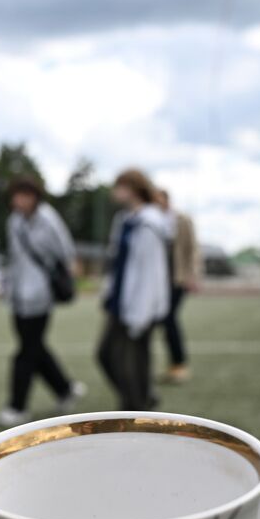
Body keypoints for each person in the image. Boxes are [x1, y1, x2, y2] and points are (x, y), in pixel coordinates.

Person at [0, 175, 85, 427]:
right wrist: (7, 286)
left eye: (24, 195)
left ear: (35, 196)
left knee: (25, 352)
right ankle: (65, 388)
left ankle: (17, 406)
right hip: (18, 296)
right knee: (34, 348)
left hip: (40, 295)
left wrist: (71, 277)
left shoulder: (48, 219)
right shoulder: (13, 222)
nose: (19, 200)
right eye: (16, 195)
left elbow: (66, 252)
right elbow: (14, 257)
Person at [97, 169, 170, 410]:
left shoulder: (149, 223)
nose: (114, 191)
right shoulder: (125, 220)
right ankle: (138, 401)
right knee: (107, 356)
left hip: (140, 307)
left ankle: (137, 408)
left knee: (135, 363)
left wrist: (141, 315)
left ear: (133, 188)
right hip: (120, 302)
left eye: (119, 186)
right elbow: (116, 263)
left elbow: (150, 273)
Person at [157, 189, 202, 383]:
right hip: (159, 282)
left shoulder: (182, 219)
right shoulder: (154, 220)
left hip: (178, 279)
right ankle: (174, 364)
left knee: (169, 319)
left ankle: (179, 364)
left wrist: (193, 275)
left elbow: (192, 248)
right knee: (165, 322)